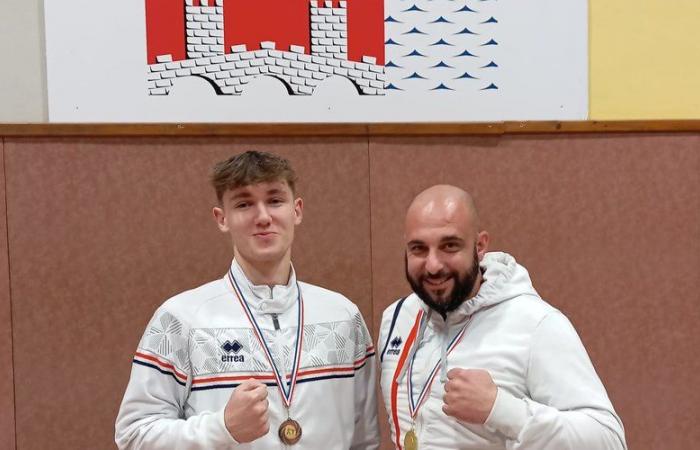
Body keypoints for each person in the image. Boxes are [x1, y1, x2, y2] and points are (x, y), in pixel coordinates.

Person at [116, 150, 379, 449]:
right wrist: (222, 428)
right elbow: (133, 435)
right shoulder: (180, 319)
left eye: (275, 200)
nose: (263, 216)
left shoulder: (343, 316)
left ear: (297, 210)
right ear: (222, 218)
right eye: (244, 204)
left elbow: (365, 440)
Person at [378, 185, 626, 450]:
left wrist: (502, 410)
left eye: (449, 246)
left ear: (480, 246)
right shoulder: (397, 318)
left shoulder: (535, 324)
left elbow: (608, 439)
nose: (433, 265)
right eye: (419, 249)